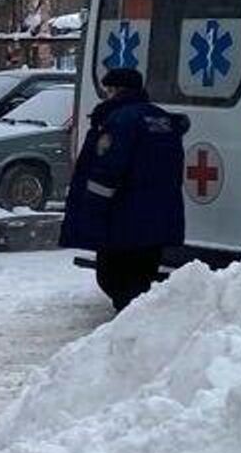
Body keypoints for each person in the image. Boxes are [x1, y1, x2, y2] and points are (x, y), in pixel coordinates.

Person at [60, 66, 189, 312]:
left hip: (122, 220)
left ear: (115, 90)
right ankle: (135, 326)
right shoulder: (163, 119)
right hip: (159, 217)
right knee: (142, 277)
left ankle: (128, 335)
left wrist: (92, 211)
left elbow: (107, 170)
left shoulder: (118, 121)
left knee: (114, 278)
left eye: (107, 90)